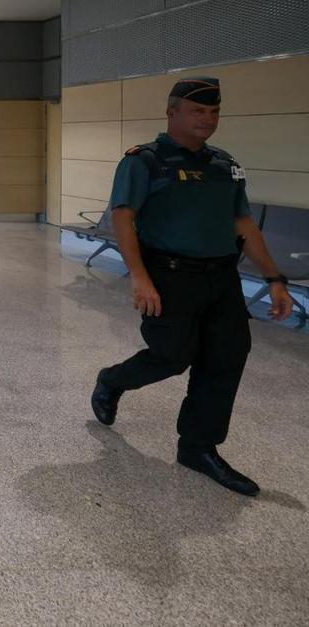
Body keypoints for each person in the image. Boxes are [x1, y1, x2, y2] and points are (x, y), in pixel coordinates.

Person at [90, 77, 294, 496]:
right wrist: (140, 277)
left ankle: (198, 447)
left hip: (221, 277)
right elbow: (124, 218)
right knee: (171, 355)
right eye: (197, 111)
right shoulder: (144, 161)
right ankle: (112, 380)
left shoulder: (226, 165)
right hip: (168, 275)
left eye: (214, 112)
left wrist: (274, 278)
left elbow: (243, 224)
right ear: (172, 112)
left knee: (227, 356)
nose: (208, 119)